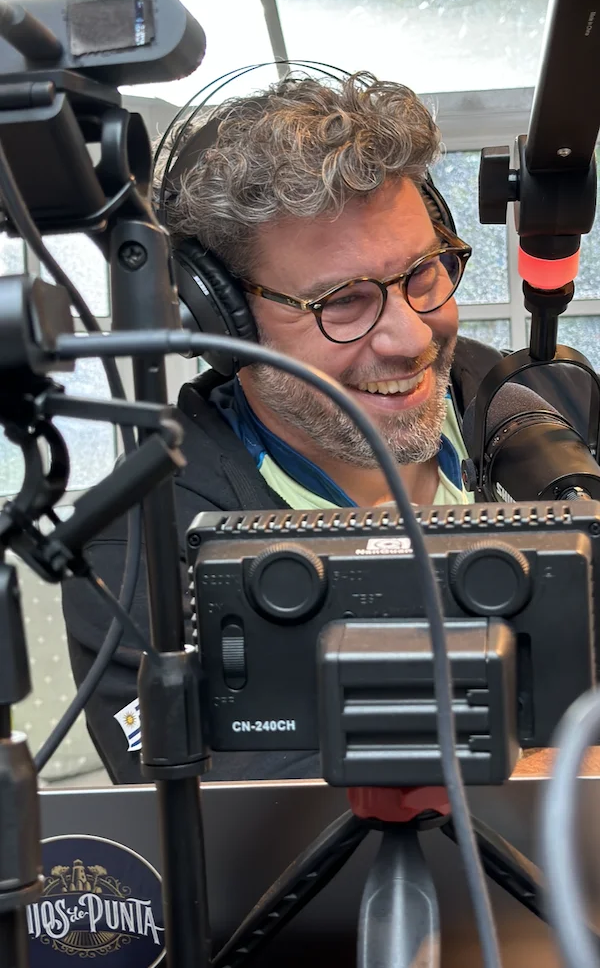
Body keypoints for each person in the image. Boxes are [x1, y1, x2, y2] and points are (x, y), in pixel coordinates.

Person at [61, 72, 589, 784]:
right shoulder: (135, 547)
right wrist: (552, 766)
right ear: (222, 319)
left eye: (423, 273)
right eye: (343, 301)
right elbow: (228, 807)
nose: (411, 338)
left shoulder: (544, 400)